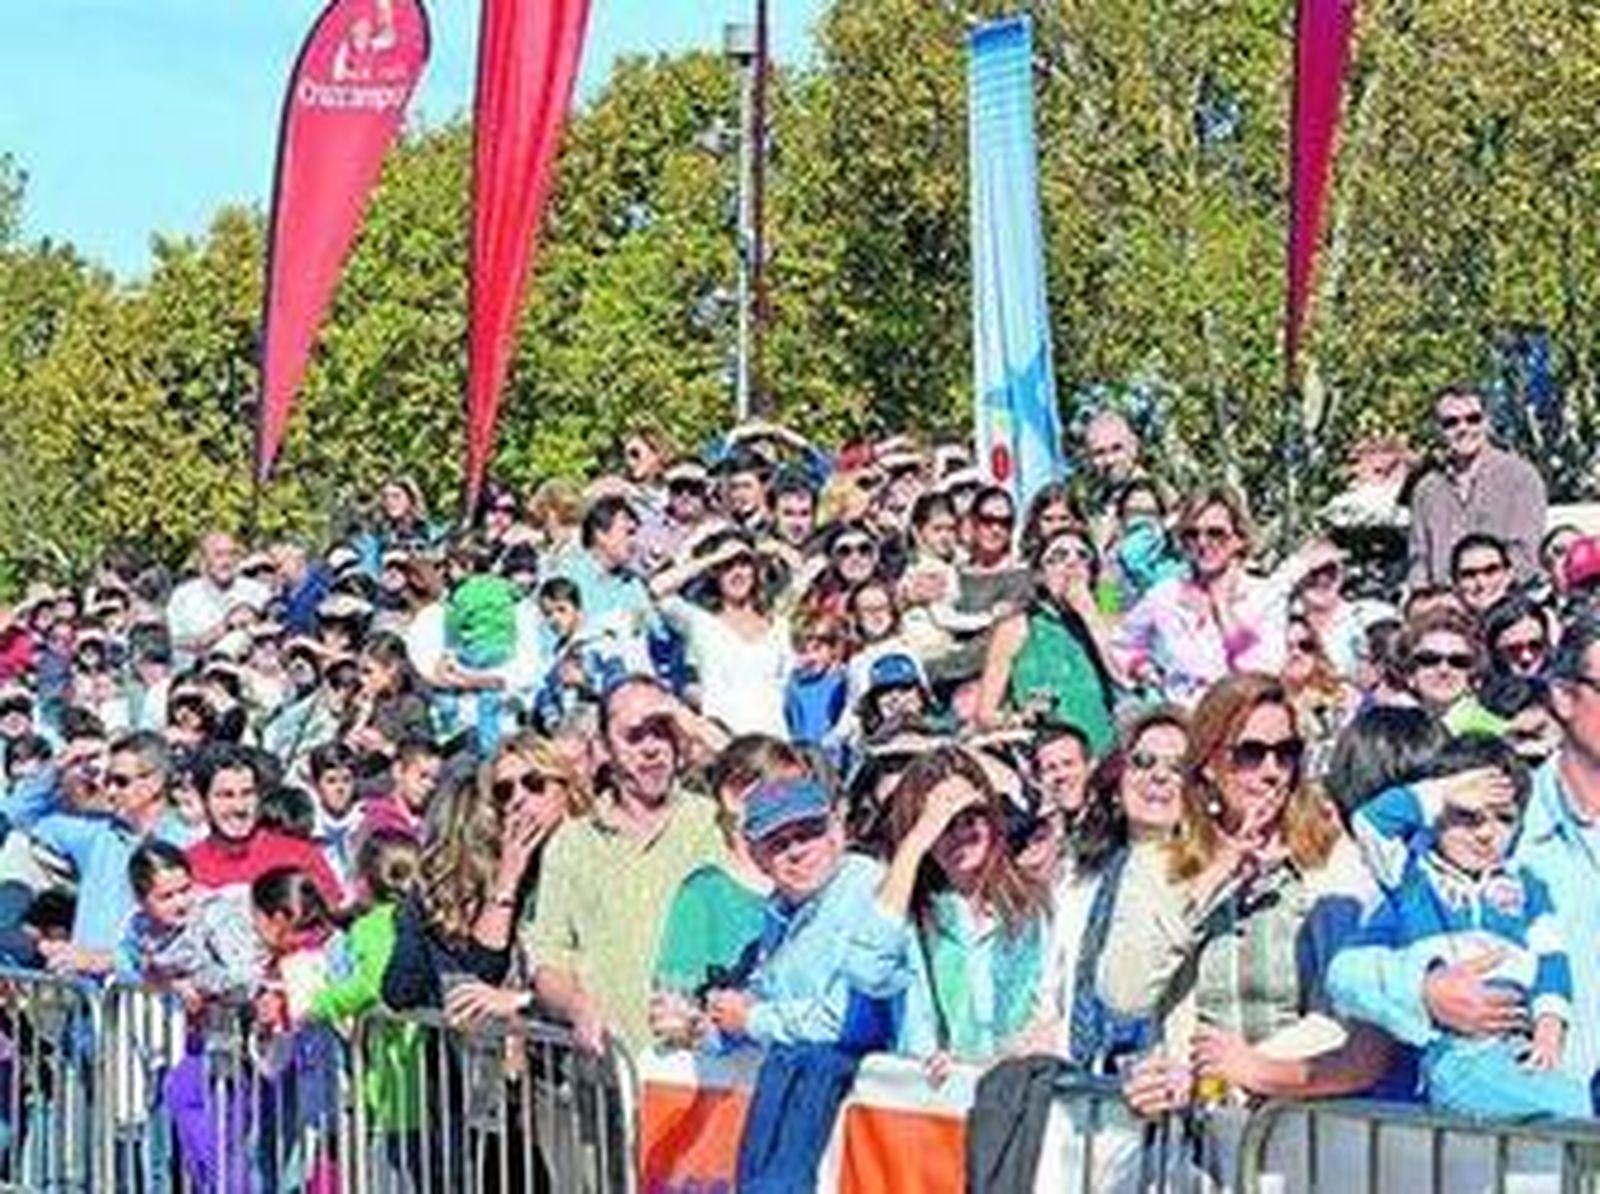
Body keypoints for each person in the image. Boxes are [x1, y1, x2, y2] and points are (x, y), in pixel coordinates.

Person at [1099, 673, 1393, 1111]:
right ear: (1210, 764)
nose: (1272, 772)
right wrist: (1212, 878)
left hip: (1305, 1117)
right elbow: (1123, 992)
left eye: (1286, 753)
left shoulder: (1330, 856)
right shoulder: (1160, 861)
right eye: (1250, 754)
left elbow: (1354, 1013)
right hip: (1196, 1124)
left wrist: (1250, 1068)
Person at [1337, 736, 1589, 1117]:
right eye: (1469, 816)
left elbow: (1552, 959)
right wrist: (1443, 792)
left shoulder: (1528, 885)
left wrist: (1550, 1024)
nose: (1487, 832)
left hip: (1521, 1054)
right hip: (1458, 1056)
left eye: (1503, 818)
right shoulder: (1413, 876)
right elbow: (1369, 824)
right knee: (1576, 1112)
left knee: (1571, 1112)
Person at [525, 679, 724, 1053]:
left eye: (662, 731)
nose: (651, 749)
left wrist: (697, 728)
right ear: (602, 748)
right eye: (635, 736)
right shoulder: (572, 843)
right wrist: (577, 1006)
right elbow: (548, 956)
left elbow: (792, 798)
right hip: (611, 1074)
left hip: (705, 1072)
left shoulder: (716, 823)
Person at [654, 775, 894, 1053]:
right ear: (758, 858)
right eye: (777, 844)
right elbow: (761, 1001)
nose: (796, 851)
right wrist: (701, 1029)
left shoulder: (867, 890)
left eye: (808, 833)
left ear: (836, 831)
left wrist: (751, 1020)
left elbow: (854, 1024)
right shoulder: (780, 909)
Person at [861, 745, 1053, 1067]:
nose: (962, 832)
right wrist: (916, 841)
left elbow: (1054, 1005)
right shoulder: (909, 912)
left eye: (972, 816)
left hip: (1022, 1089)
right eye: (946, 824)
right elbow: (869, 970)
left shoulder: (1038, 901)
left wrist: (1008, 1055)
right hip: (937, 1101)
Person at [386, 734, 581, 1016]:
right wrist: (508, 878)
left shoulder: (599, 852)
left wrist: (523, 1001)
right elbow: (482, 973)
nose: (519, 799)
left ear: (564, 786)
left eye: (534, 783)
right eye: (504, 791)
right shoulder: (521, 871)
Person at [1058, 709, 1189, 1071]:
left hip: (1167, 1077)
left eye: (1178, 767)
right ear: (1118, 781)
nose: (1159, 776)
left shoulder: (1205, 875)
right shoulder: (1078, 876)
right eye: (1143, 762)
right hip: (1085, 1078)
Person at [652, 736, 802, 1007]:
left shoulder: (808, 885)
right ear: (732, 797)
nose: (796, 808)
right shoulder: (704, 894)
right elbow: (673, 1003)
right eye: (782, 793)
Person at [975, 528, 1118, 753]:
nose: (1072, 563)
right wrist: (1021, 717)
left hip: (1103, 751)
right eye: (1058, 557)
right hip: (1048, 754)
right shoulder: (1015, 627)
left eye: (1083, 556)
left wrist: (1088, 609)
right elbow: (984, 714)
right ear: (1041, 574)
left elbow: (1124, 672)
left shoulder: (1107, 617)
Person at [650, 532, 793, 738]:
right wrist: (713, 558)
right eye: (728, 566)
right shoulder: (699, 622)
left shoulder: (780, 627)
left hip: (774, 741)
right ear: (715, 573)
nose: (737, 573)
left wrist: (771, 549)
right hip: (722, 742)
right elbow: (656, 589)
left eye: (744, 564)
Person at [1407, 386, 1547, 586]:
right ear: (1437, 429)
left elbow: (1525, 555)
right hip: (1445, 608)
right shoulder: (1426, 489)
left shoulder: (1521, 477)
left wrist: (1480, 589)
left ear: (1487, 422)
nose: (1463, 428)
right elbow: (1418, 560)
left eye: (1473, 419)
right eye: (1451, 422)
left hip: (1506, 604)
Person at [166, 532, 272, 669]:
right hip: (199, 679)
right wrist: (225, 627)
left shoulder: (258, 593)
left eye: (232, 554)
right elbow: (174, 645)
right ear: (203, 560)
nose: (226, 562)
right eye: (218, 555)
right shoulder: (183, 598)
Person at [1450, 533, 1516, 617]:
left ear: (1509, 574)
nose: (1482, 583)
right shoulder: (1440, 626)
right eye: (1469, 574)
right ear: (1455, 583)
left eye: (1491, 571)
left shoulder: (1534, 621)